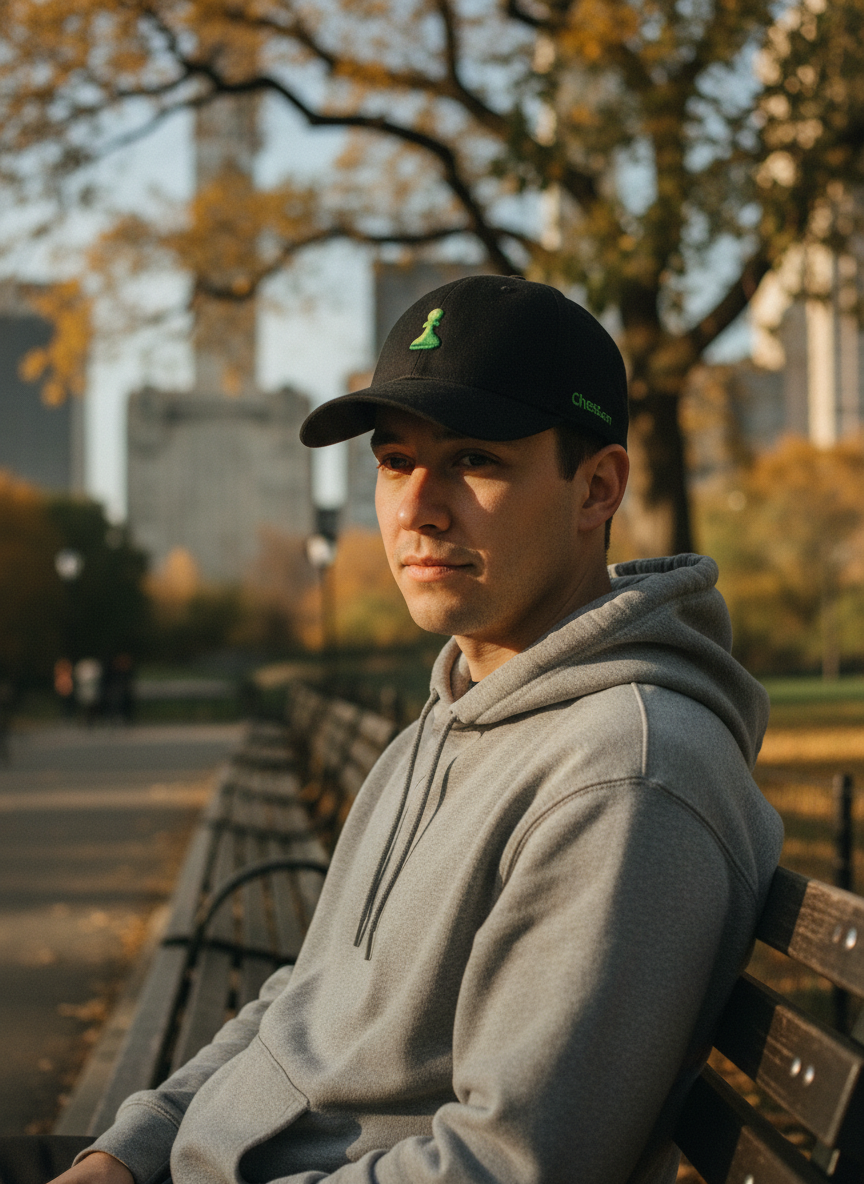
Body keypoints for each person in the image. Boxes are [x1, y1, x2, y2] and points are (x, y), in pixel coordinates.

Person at [40, 276, 783, 1184]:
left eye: (474, 458)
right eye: (395, 460)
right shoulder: (445, 720)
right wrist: (132, 1146)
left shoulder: (626, 780)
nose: (417, 507)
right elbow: (302, 1001)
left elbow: (505, 1167)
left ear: (597, 488)